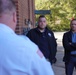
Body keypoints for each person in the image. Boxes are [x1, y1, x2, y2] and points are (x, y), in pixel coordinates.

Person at [0, 0, 54, 75]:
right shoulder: (27, 45)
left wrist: (53, 57)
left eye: (44, 21)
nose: (42, 23)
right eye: (41, 21)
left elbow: (53, 45)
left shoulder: (50, 33)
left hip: (48, 59)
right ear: (14, 16)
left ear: (46, 22)